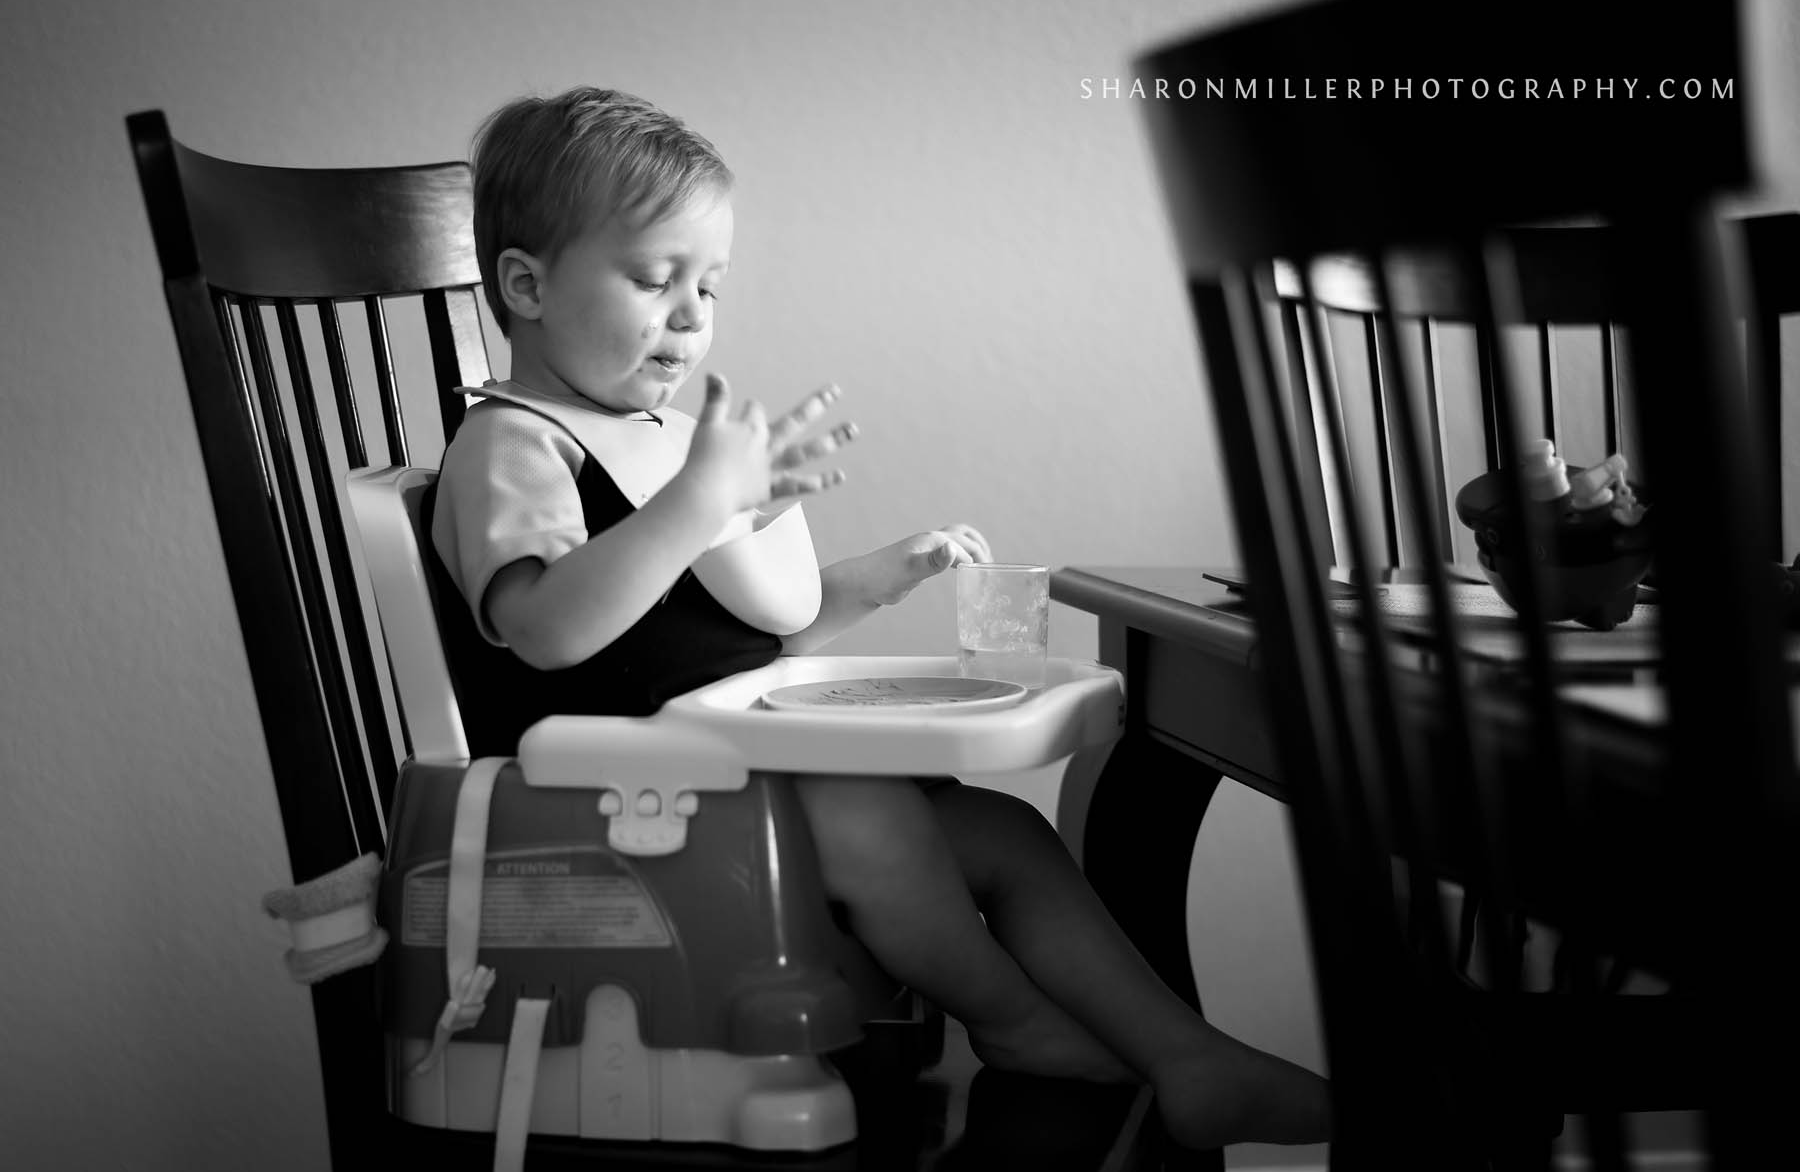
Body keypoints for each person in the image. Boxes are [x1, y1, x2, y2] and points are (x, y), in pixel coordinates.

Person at [431, 85, 1331, 1150]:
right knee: (869, 808)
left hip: (726, 775)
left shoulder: (661, 442)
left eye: (709, 285)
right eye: (652, 277)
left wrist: (866, 578)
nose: (689, 315)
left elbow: (733, 639)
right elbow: (549, 629)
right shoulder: (515, 444)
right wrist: (694, 506)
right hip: (618, 809)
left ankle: (1191, 1056)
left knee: (1005, 830)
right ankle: (1017, 1021)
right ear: (527, 286)